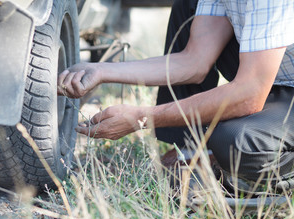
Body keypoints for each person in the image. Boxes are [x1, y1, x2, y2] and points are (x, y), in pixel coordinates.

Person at [58, 0, 294, 188]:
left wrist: (142, 117)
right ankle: (193, 151)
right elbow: (194, 61)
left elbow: (249, 94)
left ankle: (234, 165)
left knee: (237, 142)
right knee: (188, 5)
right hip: (271, 77)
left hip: (276, 85)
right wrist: (100, 70)